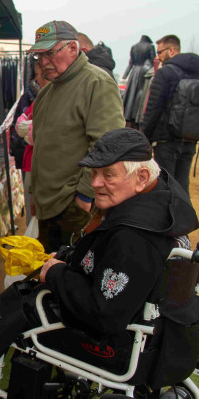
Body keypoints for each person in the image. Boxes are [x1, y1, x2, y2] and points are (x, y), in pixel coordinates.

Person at [0, 129, 199, 399]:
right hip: (156, 322)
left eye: (108, 175)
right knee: (31, 290)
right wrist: (67, 258)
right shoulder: (161, 196)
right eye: (95, 173)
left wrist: (57, 273)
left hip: (115, 340)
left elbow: (104, 313)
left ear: (141, 178)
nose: (96, 183)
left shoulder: (134, 239)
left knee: (21, 299)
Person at [26, 20, 125, 252]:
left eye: (50, 53)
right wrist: (35, 192)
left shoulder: (96, 83)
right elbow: (42, 146)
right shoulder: (48, 91)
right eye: (39, 56)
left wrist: (85, 195)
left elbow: (108, 145)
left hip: (75, 206)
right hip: (49, 205)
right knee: (49, 276)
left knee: (73, 277)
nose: (43, 62)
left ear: (73, 48)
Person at [140, 34, 199, 195]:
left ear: (171, 50)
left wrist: (145, 138)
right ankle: (184, 219)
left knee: (165, 186)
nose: (158, 57)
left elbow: (153, 109)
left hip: (166, 140)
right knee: (183, 186)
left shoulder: (165, 74)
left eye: (160, 52)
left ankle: (167, 220)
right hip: (190, 139)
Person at [12, 58, 49, 223]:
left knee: (37, 218)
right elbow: (20, 124)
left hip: (42, 167)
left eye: (43, 75)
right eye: (37, 75)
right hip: (31, 162)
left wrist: (30, 130)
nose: (38, 80)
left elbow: (35, 133)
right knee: (32, 215)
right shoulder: (40, 98)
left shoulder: (48, 98)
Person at [122, 35, 156, 127]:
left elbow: (130, 63)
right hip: (144, 73)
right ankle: (137, 116)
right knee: (141, 95)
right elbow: (154, 61)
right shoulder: (150, 47)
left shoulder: (134, 47)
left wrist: (124, 76)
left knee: (131, 95)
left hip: (134, 72)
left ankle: (128, 114)